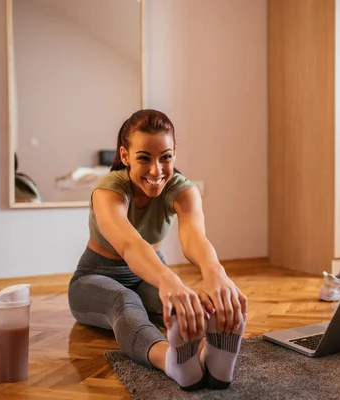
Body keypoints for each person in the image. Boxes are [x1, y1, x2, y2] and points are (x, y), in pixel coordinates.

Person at [68, 109, 248, 391]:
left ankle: (213, 358)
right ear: (125, 156)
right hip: (94, 278)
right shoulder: (108, 192)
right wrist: (168, 280)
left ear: (174, 153)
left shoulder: (183, 190)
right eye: (144, 158)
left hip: (147, 274)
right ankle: (170, 361)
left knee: (186, 306)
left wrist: (216, 273)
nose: (156, 170)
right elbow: (130, 244)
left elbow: (194, 238)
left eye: (165, 157)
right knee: (125, 302)